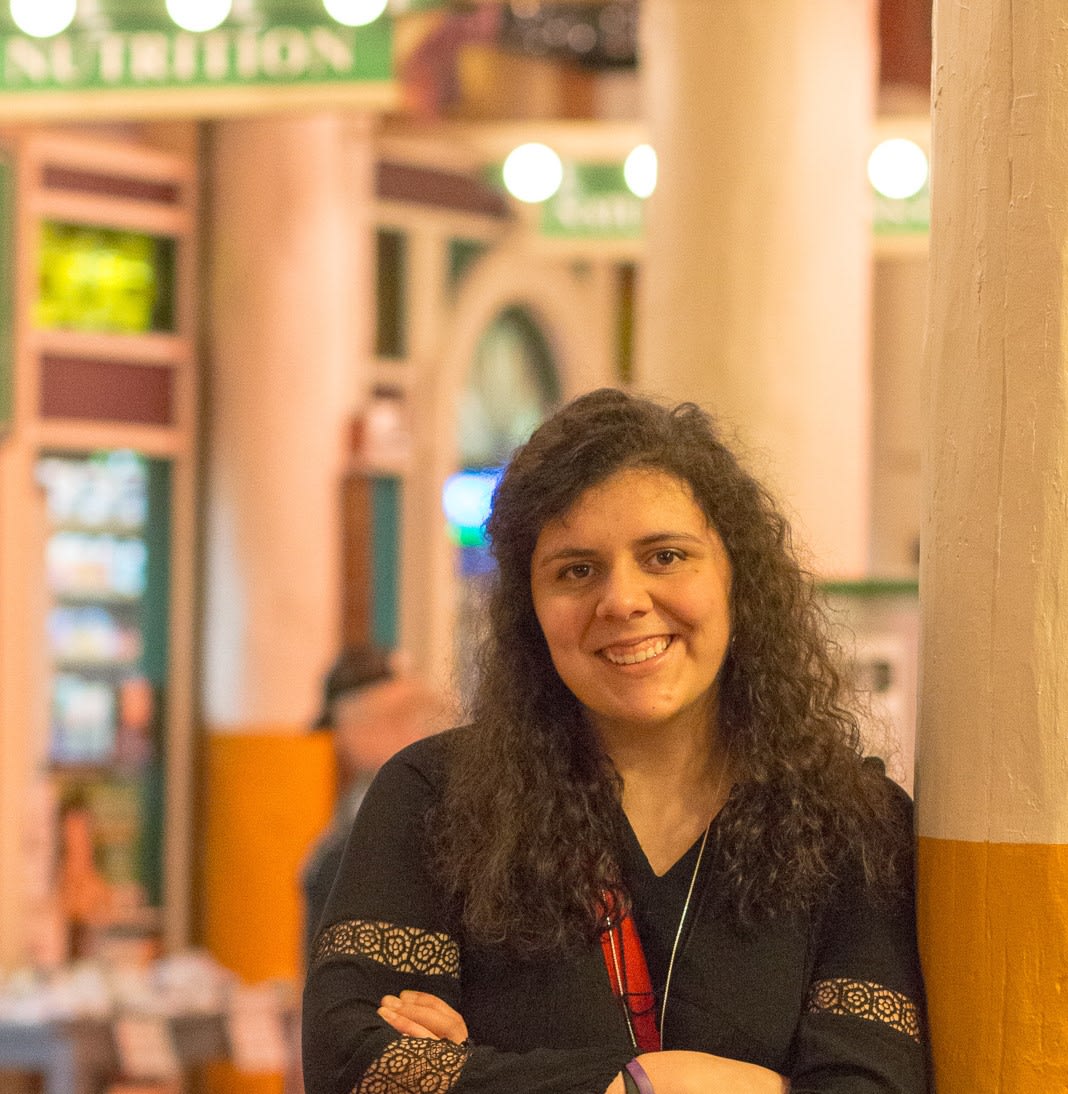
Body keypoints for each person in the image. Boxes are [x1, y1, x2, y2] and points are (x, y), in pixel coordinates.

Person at [302, 389, 929, 1094]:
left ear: (736, 578)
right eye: (576, 570)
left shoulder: (856, 827)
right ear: (529, 609)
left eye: (664, 556)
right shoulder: (434, 799)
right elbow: (355, 1067)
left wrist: (478, 1073)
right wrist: (660, 1084)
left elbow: (873, 1084)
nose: (623, 600)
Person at [301, 644, 450, 964]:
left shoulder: (421, 794)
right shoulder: (364, 794)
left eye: (341, 728)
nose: (339, 743)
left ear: (362, 722)